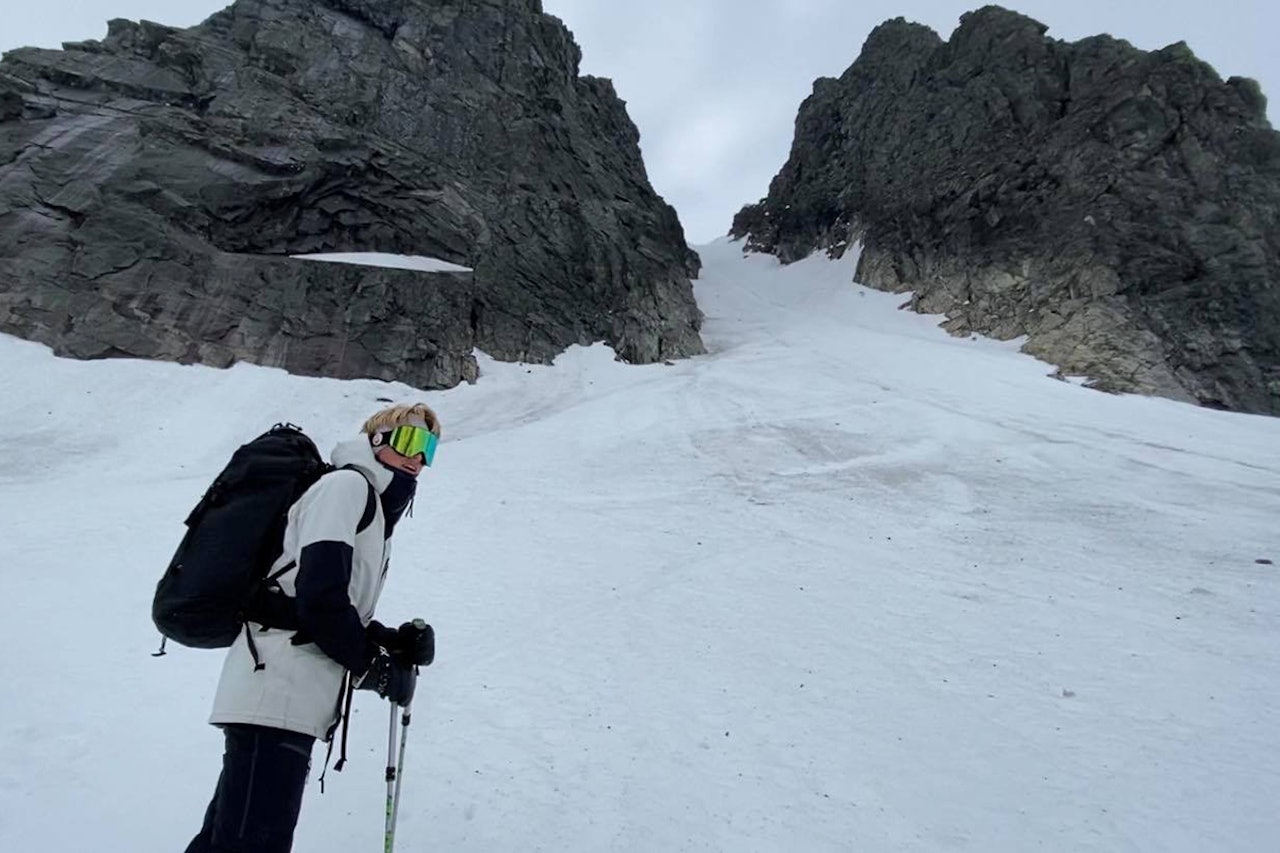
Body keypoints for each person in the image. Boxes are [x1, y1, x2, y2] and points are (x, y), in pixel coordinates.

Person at [184, 403, 442, 853]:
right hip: (276, 691)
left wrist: (388, 641)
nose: (418, 458)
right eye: (410, 441)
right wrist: (373, 669)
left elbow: (324, 602)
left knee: (225, 842)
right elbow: (319, 601)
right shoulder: (345, 487)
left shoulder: (370, 509)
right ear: (376, 441)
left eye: (429, 448)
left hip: (288, 700)